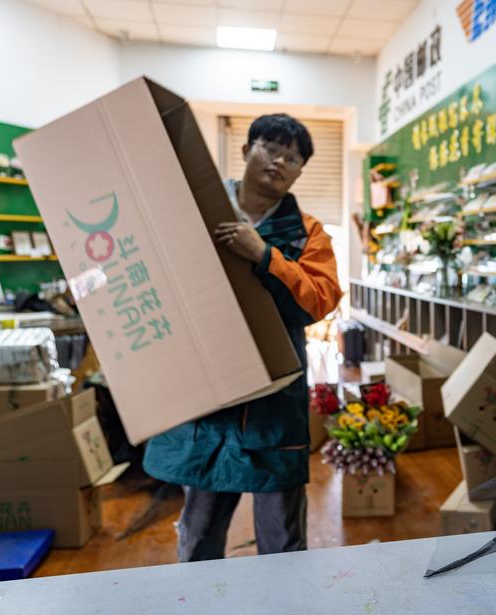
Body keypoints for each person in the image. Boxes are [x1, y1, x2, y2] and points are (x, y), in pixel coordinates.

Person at [143, 114, 343, 560]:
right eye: (271, 148)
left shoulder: (307, 231)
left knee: (282, 542)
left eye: (293, 158)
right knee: (199, 533)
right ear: (246, 149)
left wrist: (265, 255)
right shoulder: (196, 210)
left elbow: (321, 299)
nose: (280, 161)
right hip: (208, 394)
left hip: (275, 400)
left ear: (299, 172)